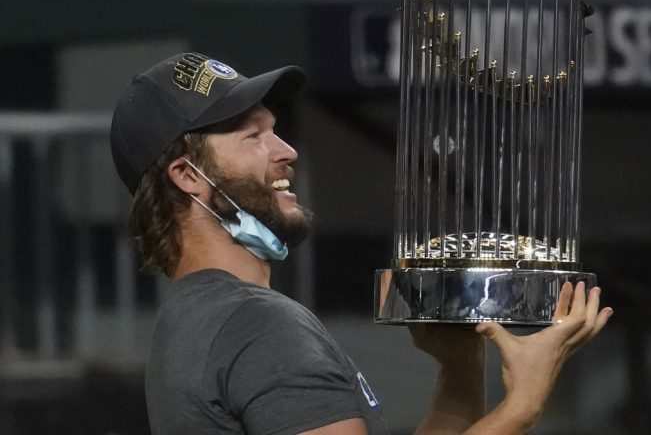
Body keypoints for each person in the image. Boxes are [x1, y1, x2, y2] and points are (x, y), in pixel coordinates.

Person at [110, 51, 614, 435]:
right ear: (187, 176)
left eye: (275, 131)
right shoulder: (257, 326)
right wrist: (522, 404)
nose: (286, 151)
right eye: (252, 136)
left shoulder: (193, 321)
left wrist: (460, 365)